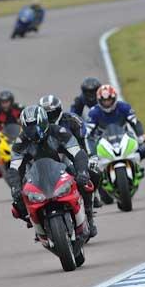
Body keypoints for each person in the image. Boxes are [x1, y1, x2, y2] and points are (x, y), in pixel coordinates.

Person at [8, 105, 95, 236]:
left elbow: (77, 153)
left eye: (36, 125)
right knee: (17, 205)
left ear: (44, 122)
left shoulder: (59, 132)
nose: (34, 131)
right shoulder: (20, 143)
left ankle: (88, 216)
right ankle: (35, 223)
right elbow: (14, 168)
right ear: (24, 128)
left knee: (88, 179)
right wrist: (15, 187)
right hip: (34, 176)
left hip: (62, 169)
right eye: (29, 127)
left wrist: (82, 172)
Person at [39, 95, 99, 234]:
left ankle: (89, 214)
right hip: (50, 162)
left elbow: (85, 138)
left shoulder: (72, 120)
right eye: (46, 114)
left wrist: (91, 157)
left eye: (51, 113)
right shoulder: (39, 126)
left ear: (59, 110)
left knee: (93, 173)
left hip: (74, 156)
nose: (49, 116)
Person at [86, 84, 145, 160]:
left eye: (109, 100)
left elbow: (135, 122)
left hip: (124, 140)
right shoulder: (94, 112)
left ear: (114, 98)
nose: (107, 103)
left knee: (143, 151)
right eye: (104, 101)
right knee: (93, 163)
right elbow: (87, 133)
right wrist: (92, 152)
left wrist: (141, 135)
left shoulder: (124, 107)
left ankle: (138, 169)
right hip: (103, 144)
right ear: (99, 100)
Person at [0, 91, 24, 179]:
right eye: (3, 102)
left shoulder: (19, 108)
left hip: (20, 135)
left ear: (11, 101)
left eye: (7, 102)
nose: (5, 105)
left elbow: (29, 118)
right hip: (3, 138)